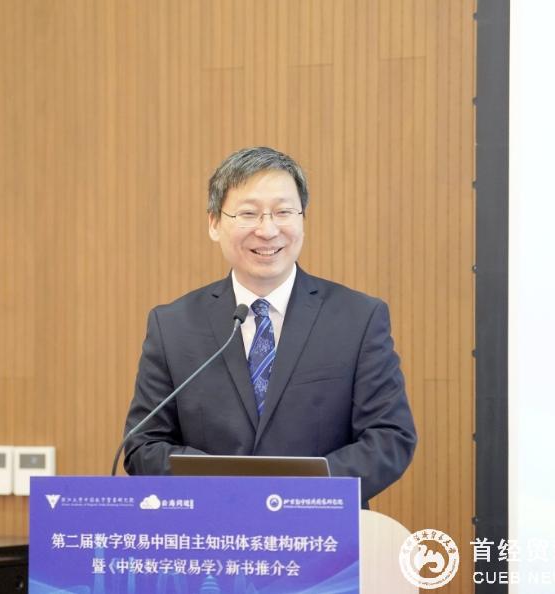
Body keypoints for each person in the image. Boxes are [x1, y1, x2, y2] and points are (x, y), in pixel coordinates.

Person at [122, 146, 416, 505]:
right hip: (209, 524)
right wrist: (226, 488)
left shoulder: (358, 318)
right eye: (248, 213)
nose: (267, 230)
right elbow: (142, 445)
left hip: (321, 526)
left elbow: (389, 438)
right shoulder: (173, 325)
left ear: (302, 218)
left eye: (283, 212)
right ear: (214, 223)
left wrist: (297, 494)